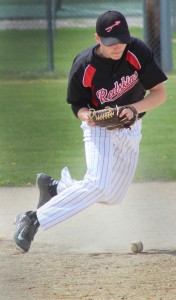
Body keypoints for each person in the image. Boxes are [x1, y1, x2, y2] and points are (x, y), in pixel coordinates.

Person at [14, 10, 167, 253]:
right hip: (99, 130)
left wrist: (134, 109)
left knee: (113, 195)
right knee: (97, 183)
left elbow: (160, 92)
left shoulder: (137, 52)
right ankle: (32, 219)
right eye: (110, 42)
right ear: (98, 39)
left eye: (121, 40)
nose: (117, 46)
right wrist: (88, 116)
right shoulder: (84, 65)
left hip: (130, 126)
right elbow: (77, 104)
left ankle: (57, 189)